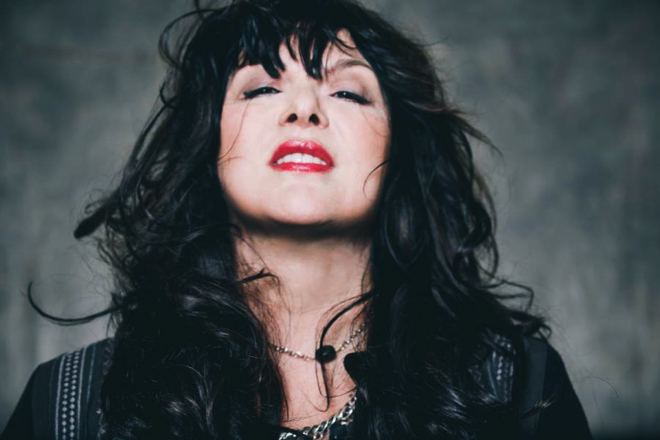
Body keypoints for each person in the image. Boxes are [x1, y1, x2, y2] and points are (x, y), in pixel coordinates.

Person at [1, 0, 593, 439]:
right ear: (209, 144)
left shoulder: (515, 385)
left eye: (348, 93)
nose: (304, 108)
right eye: (261, 88)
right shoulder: (67, 406)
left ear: (398, 151)